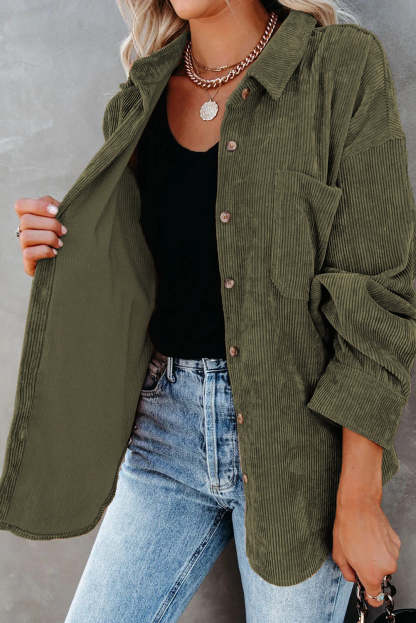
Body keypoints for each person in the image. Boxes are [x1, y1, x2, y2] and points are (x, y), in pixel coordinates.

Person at [9, 0, 416, 621]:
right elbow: (135, 281)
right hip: (161, 435)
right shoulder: (140, 99)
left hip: (297, 441)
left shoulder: (339, 67)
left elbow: (378, 292)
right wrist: (60, 253)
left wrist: (359, 496)